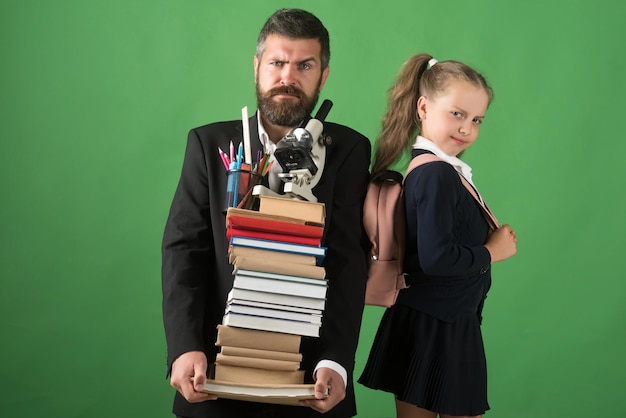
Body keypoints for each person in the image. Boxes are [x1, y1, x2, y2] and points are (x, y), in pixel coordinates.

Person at [161, 8, 371, 418]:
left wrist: (335, 362)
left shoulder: (348, 150)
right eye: (277, 63)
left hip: (310, 379)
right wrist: (185, 347)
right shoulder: (207, 144)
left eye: (304, 65)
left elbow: (349, 261)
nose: (287, 78)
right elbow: (184, 250)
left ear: (323, 75)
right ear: (257, 67)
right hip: (213, 371)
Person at [358, 53, 518, 418]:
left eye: (476, 120)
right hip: (438, 325)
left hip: (436, 320)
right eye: (457, 114)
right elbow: (437, 258)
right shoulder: (436, 174)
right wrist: (492, 251)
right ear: (423, 107)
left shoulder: (437, 170)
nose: (466, 129)